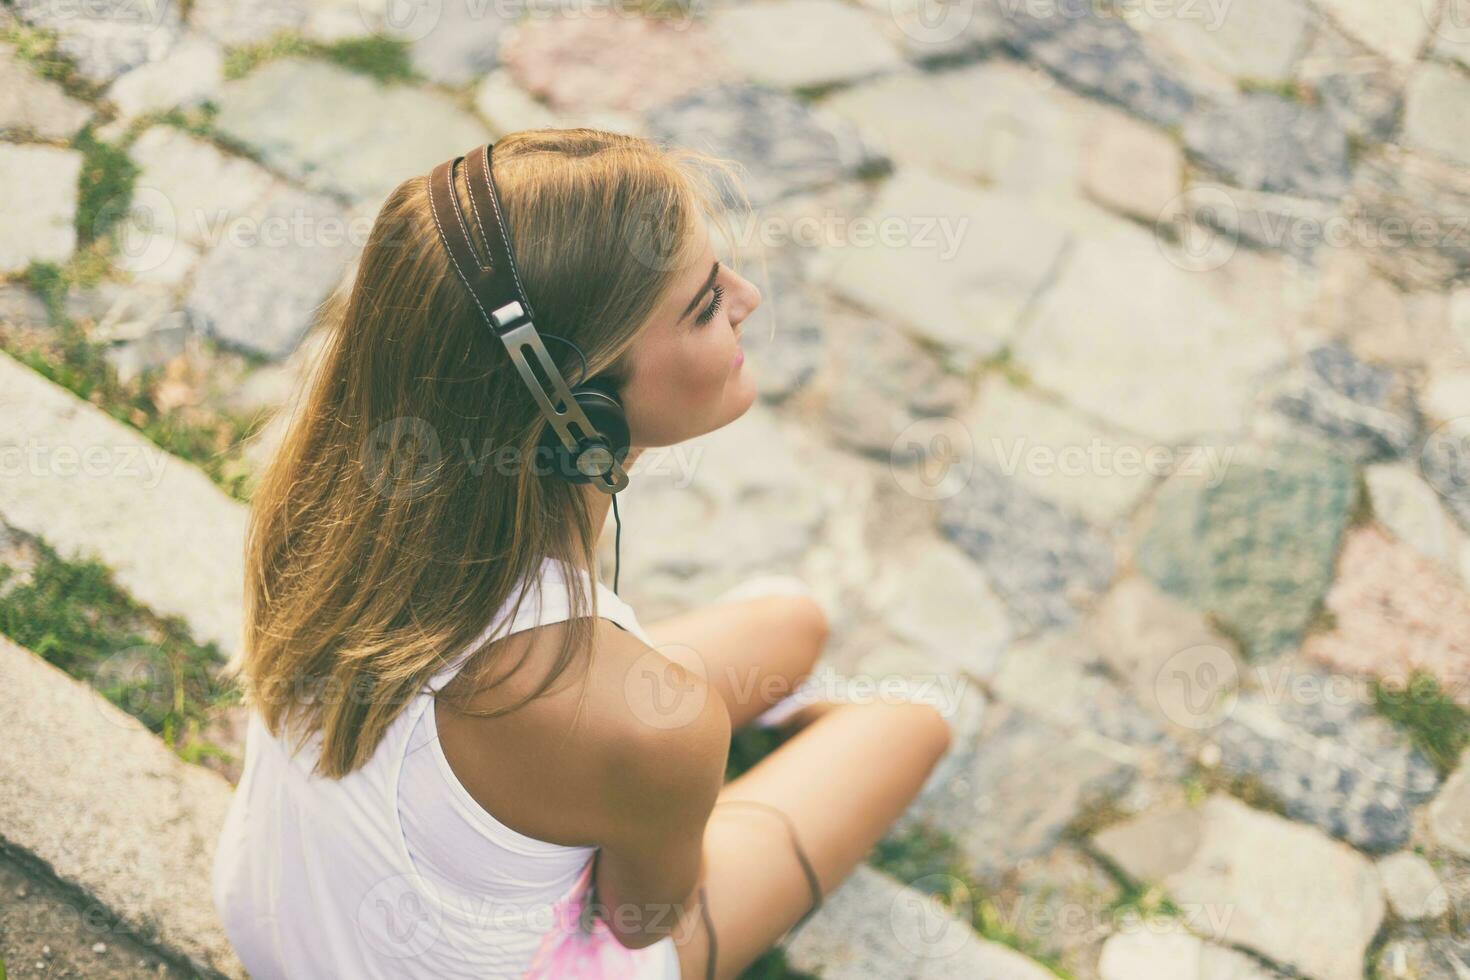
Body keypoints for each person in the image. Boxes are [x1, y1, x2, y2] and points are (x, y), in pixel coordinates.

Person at [211, 128, 956, 980]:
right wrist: (664, 788)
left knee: (792, 620)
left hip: (279, 921)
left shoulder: (321, 509)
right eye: (706, 305)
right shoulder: (654, 723)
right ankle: (776, 746)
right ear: (585, 415)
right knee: (911, 720)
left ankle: (727, 741)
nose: (748, 297)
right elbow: (641, 920)